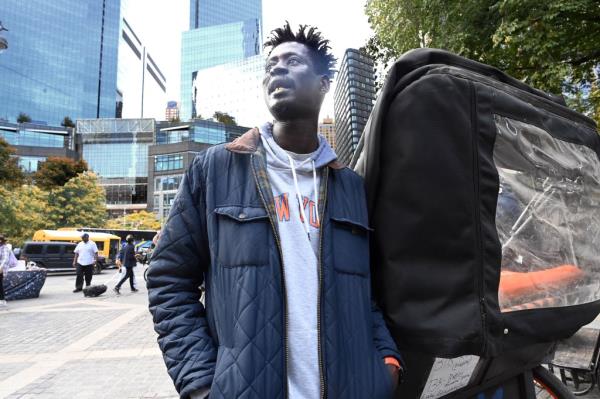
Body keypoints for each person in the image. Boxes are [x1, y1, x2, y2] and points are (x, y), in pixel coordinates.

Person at [147, 22, 403, 399]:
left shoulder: (349, 186)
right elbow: (169, 280)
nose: (277, 69)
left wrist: (386, 362)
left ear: (322, 83)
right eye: (271, 65)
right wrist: (201, 382)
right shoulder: (215, 169)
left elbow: (367, 292)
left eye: (293, 61)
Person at [0, 234, 11, 308]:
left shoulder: (4, 248)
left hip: (1, 268)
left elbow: (5, 259)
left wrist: (0, 267)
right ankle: (2, 300)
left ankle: (2, 300)